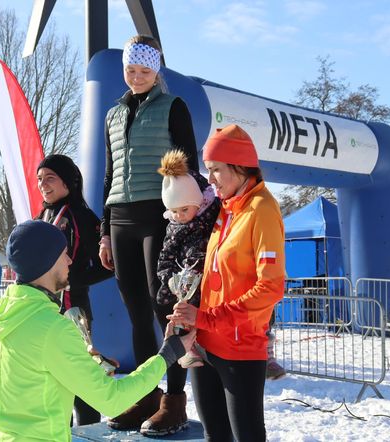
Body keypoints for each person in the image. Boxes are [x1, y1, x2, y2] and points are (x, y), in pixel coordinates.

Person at [0, 220, 195, 441]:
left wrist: (86, 364)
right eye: (64, 254)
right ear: (47, 262)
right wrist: (167, 355)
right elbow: (112, 400)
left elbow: (29, 372)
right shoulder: (52, 328)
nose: (70, 260)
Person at [98, 34, 200, 435]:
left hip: (158, 216)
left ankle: (174, 402)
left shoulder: (174, 106)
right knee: (137, 315)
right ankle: (145, 398)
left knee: (165, 310)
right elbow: (109, 176)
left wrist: (185, 221)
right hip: (121, 218)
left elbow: (188, 164)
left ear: (156, 70)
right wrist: (105, 233)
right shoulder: (112, 115)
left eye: (144, 70)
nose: (137, 77)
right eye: (130, 70)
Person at [170, 125, 286, 441]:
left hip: (239, 348)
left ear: (239, 165)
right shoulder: (226, 208)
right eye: (209, 170)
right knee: (215, 437)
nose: (211, 179)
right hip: (205, 344)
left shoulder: (261, 208)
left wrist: (209, 318)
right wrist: (188, 310)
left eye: (217, 170)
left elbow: (271, 287)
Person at [35, 153, 114, 426]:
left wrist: (73, 280)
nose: (43, 184)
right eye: (39, 179)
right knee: (52, 381)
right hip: (42, 312)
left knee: (80, 381)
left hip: (73, 311)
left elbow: (108, 265)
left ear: (69, 182)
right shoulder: (43, 214)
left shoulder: (81, 215)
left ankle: (89, 432)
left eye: (50, 178)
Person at [156, 150, 220, 368]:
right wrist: (168, 282)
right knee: (183, 309)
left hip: (212, 277)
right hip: (187, 280)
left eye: (184, 209)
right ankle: (186, 347)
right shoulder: (174, 228)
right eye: (174, 211)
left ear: (198, 202)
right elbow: (165, 257)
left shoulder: (213, 214)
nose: (179, 215)